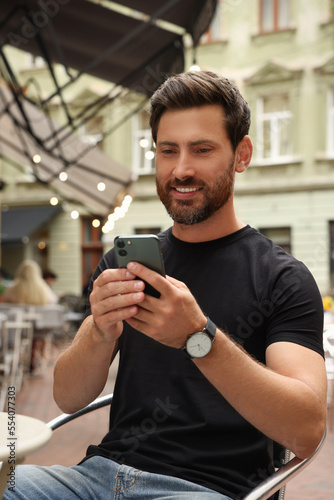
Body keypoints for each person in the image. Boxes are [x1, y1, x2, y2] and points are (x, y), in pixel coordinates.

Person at [4, 71, 327, 500]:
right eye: (167, 150)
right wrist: (98, 330)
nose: (181, 169)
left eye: (202, 149)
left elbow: (306, 430)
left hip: (203, 488)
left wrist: (199, 337)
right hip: (96, 477)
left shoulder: (282, 277)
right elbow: (67, 397)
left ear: (241, 154)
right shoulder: (126, 264)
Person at [3, 260, 58, 374]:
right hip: (39, 329)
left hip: (18, 329)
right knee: (38, 337)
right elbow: (53, 302)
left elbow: (5, 305)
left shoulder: (12, 288)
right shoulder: (43, 289)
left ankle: (24, 362)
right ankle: (37, 361)